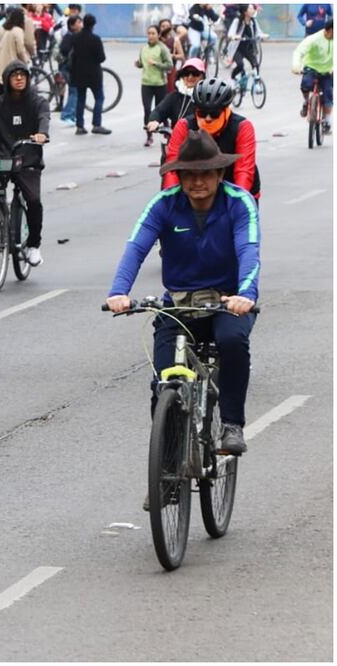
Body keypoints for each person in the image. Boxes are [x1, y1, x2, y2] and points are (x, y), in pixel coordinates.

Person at [107, 130, 259, 465]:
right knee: (163, 384)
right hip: (179, 306)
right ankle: (167, 470)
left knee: (233, 342)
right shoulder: (164, 205)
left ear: (220, 174)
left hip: (227, 303)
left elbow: (249, 251)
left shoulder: (239, 203)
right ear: (180, 176)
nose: (198, 182)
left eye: (206, 173)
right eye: (189, 174)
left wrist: (245, 295)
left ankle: (232, 424)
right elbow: (136, 247)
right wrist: (119, 292)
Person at [0, 59, 50, 267]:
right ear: (6, 80)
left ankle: (33, 245)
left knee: (33, 200)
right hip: (3, 156)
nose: (19, 78)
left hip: (28, 157)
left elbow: (44, 118)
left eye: (23, 75)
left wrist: (41, 134)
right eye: (15, 76)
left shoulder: (37, 102)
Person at [163, 77, 260, 200]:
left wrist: (239, 201)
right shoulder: (184, 126)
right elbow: (172, 167)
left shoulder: (242, 127)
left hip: (236, 187)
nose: (208, 118)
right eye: (202, 113)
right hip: (197, 191)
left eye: (214, 114)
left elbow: (244, 171)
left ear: (226, 111)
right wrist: (170, 199)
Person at [147, 57, 205, 150]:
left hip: (200, 145)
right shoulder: (174, 96)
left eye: (195, 73)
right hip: (176, 143)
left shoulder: (206, 97)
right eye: (186, 73)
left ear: (202, 76)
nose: (190, 77)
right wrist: (154, 121)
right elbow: (159, 111)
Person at [71, 13, 111, 135]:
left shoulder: (76, 38)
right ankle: (96, 124)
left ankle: (79, 126)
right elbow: (101, 58)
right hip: (94, 74)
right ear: (93, 25)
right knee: (99, 98)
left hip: (79, 73)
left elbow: (73, 56)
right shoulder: (96, 39)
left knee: (81, 99)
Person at [293, 17, 333, 132]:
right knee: (306, 84)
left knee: (328, 94)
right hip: (311, 68)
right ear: (330, 30)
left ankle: (327, 120)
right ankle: (306, 101)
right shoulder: (314, 39)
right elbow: (299, 51)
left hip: (327, 71)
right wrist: (296, 66)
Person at [137, 24, 174, 147]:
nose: (151, 36)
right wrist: (138, 64)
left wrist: (157, 64)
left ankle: (167, 127)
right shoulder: (143, 48)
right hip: (146, 83)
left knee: (160, 110)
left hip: (160, 84)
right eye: (149, 33)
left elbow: (169, 65)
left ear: (158, 35)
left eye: (153, 33)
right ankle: (149, 136)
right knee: (147, 110)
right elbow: (142, 63)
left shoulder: (162, 48)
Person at [227, 5, 266, 90]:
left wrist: (263, 36)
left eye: (253, 8)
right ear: (245, 12)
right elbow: (230, 33)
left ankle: (256, 83)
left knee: (255, 64)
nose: (253, 10)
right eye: (251, 9)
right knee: (240, 65)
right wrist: (234, 36)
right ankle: (232, 79)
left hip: (248, 48)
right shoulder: (237, 21)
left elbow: (258, 32)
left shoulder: (253, 21)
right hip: (237, 49)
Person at [0, 7, 30, 89]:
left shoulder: (4, 28)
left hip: (1, 62)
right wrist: (25, 60)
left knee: (2, 90)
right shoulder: (18, 31)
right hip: (12, 64)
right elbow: (20, 50)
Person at [58, 14, 83, 126]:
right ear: (72, 25)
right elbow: (64, 50)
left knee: (74, 92)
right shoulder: (69, 36)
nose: (80, 24)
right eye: (78, 22)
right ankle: (67, 115)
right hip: (68, 68)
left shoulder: (74, 36)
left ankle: (72, 115)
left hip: (72, 68)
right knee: (74, 92)